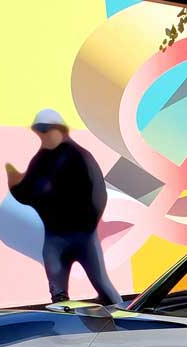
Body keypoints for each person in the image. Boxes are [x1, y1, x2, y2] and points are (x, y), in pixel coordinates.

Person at [7, 108, 120, 306]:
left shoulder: (80, 157)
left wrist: (87, 224)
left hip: (84, 236)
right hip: (55, 238)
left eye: (45, 129)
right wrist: (15, 184)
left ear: (59, 130)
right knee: (58, 294)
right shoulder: (40, 160)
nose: (42, 135)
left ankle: (123, 317)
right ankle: (64, 321)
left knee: (102, 285)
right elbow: (28, 194)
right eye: (39, 130)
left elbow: (97, 194)